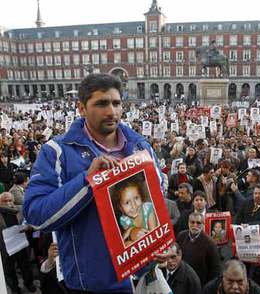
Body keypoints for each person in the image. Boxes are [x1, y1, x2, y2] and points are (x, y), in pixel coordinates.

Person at [23, 74, 163, 293]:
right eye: (101, 103)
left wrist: (161, 242)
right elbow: (36, 215)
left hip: (142, 278)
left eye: (116, 103)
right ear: (81, 108)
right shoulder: (57, 151)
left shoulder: (140, 147)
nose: (111, 111)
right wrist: (88, 182)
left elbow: (158, 200)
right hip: (92, 285)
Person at [176, 212, 221, 285]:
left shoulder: (210, 243)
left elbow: (215, 270)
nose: (195, 225)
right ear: (188, 223)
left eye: (198, 223)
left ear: (203, 224)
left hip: (200, 283)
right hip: (182, 280)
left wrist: (208, 288)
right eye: (192, 222)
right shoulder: (181, 236)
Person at [112, 181, 158, 246]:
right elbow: (125, 239)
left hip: (154, 242)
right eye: (127, 202)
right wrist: (131, 230)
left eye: (136, 198)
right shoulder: (124, 219)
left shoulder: (148, 208)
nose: (134, 206)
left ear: (141, 197)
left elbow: (155, 236)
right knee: (127, 244)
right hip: (143, 245)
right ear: (121, 208)